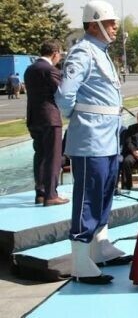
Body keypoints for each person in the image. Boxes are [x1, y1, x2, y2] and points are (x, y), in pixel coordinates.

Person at [55, 0, 132, 285]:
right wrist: (80, 118)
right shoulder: (83, 52)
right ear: (94, 24)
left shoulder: (101, 52)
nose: (115, 27)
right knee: (89, 196)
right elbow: (65, 95)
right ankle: (80, 260)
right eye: (110, 23)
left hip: (108, 138)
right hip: (91, 138)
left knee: (104, 192)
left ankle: (100, 246)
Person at [24, 40, 67, 206]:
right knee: (53, 157)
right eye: (60, 55)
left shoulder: (30, 69)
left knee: (40, 155)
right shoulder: (50, 70)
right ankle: (51, 195)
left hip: (34, 117)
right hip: (50, 118)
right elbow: (62, 92)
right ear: (55, 53)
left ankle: (40, 193)